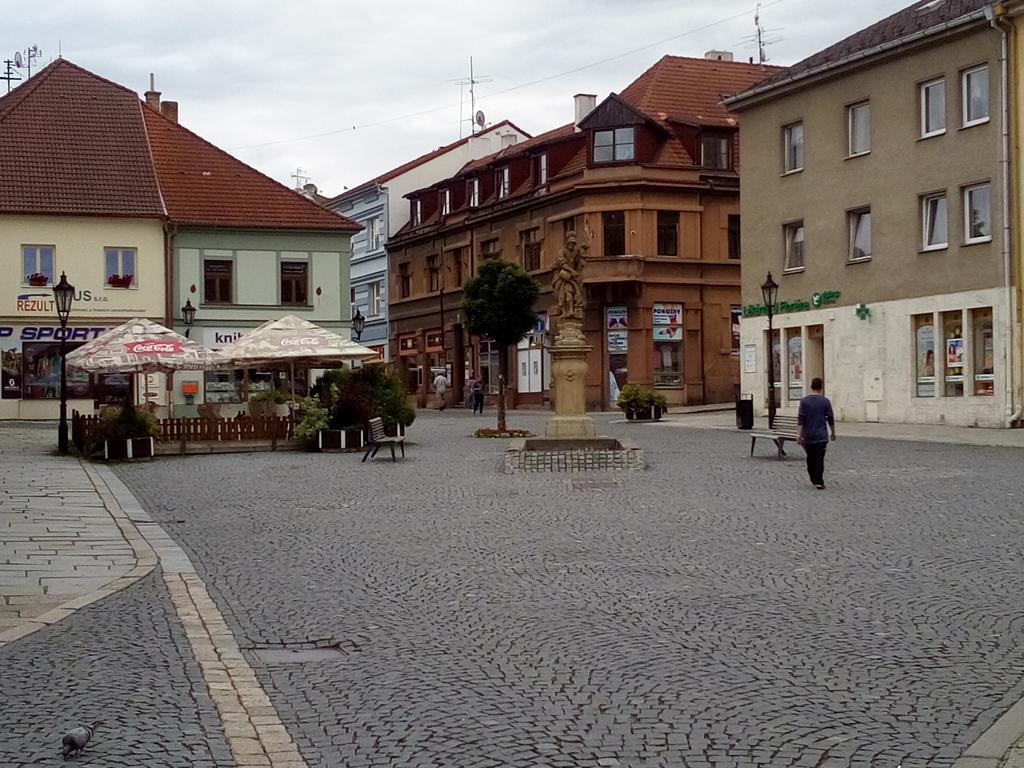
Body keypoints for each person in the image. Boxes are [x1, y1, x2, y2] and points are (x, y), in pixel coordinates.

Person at [797, 377, 836, 490]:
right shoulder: (825, 401)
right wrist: (833, 432)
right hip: (821, 435)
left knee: (810, 458)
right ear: (821, 387)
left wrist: (799, 434)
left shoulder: (804, 401)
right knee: (819, 458)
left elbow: (801, 419)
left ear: (811, 386)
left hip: (808, 434)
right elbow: (830, 418)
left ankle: (813, 477)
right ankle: (818, 480)